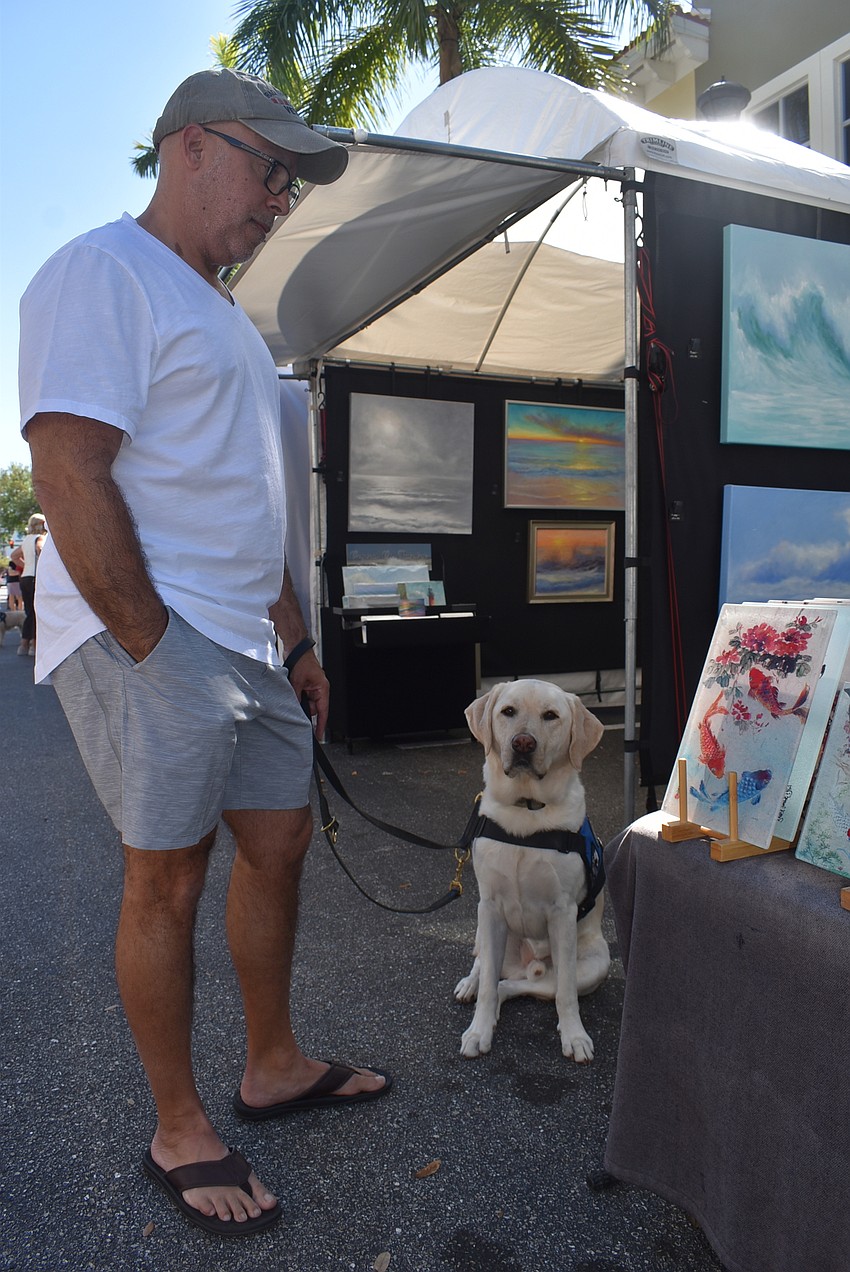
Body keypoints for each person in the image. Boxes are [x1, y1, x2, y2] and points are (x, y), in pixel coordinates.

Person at [18, 68, 390, 1238]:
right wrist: (150, 643)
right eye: (267, 166)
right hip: (156, 637)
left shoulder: (224, 317)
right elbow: (66, 471)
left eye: (292, 179)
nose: (281, 196)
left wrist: (295, 639)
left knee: (277, 845)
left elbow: (239, 502)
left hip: (244, 637)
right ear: (185, 148)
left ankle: (270, 1065)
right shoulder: (102, 271)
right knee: (166, 879)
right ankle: (178, 1127)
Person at [17, 513, 46, 656]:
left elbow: (14, 556)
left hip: (25, 578)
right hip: (36, 578)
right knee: (37, 613)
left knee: (29, 612)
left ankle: (24, 645)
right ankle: (34, 646)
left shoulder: (26, 540)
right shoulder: (40, 538)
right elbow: (40, 549)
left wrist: (26, 565)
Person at [5, 542, 24, 612]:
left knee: (18, 597)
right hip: (13, 581)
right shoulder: (12, 563)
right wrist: (19, 572)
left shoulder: (24, 561)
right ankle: (14, 611)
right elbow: (10, 572)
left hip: (18, 581)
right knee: (13, 596)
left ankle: (19, 611)